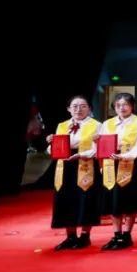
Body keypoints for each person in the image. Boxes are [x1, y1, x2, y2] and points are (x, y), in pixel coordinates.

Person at [47, 95, 101, 250]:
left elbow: (97, 149)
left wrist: (81, 154)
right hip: (65, 165)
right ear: (68, 109)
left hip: (85, 163)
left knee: (86, 198)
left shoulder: (96, 125)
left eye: (83, 106)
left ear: (89, 109)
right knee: (66, 198)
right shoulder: (62, 125)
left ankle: (85, 236)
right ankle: (70, 237)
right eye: (75, 106)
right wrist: (51, 144)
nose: (79, 109)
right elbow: (53, 149)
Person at [97, 93, 137, 250]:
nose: (122, 108)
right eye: (118, 105)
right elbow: (103, 144)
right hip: (111, 164)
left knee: (130, 201)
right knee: (113, 201)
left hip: (129, 163)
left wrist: (125, 156)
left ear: (132, 106)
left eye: (125, 104)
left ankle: (127, 235)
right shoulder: (107, 123)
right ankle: (117, 234)